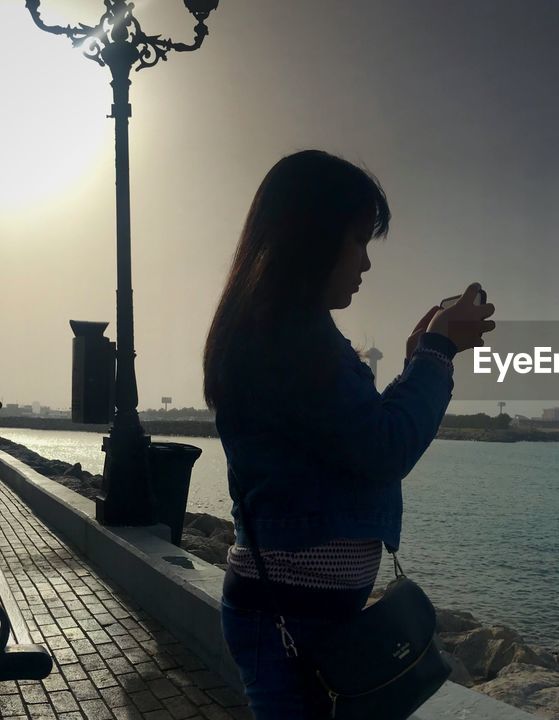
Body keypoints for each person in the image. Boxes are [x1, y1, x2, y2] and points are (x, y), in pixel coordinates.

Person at [201, 149, 495, 717]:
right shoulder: (289, 339)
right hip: (290, 621)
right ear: (310, 237)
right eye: (358, 240)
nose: (365, 262)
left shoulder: (282, 331)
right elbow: (385, 448)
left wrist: (418, 361)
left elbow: (353, 437)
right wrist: (437, 352)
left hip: (300, 616)